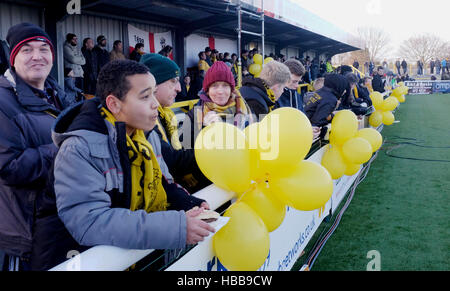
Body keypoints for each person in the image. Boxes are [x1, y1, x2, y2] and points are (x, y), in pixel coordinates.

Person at [52, 60, 214, 265]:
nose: (155, 103)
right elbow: (90, 222)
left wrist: (188, 202)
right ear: (114, 104)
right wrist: (176, 227)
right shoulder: (78, 149)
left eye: (154, 93)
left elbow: (162, 181)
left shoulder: (145, 134)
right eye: (145, 96)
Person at [0, 22, 69, 271]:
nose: (37, 56)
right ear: (13, 57)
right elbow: (10, 167)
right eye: (26, 50)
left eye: (43, 49)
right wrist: (66, 149)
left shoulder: (59, 95)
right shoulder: (3, 101)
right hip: (24, 233)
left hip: (60, 224)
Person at [140, 53, 211, 193]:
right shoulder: (145, 120)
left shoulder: (165, 115)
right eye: (173, 81)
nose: (179, 88)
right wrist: (211, 147)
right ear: (154, 84)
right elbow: (172, 159)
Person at [181, 61, 253, 148]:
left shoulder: (246, 110)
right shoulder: (194, 114)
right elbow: (183, 151)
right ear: (207, 91)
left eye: (225, 85)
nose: (220, 91)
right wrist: (203, 130)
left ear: (231, 90)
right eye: (214, 86)